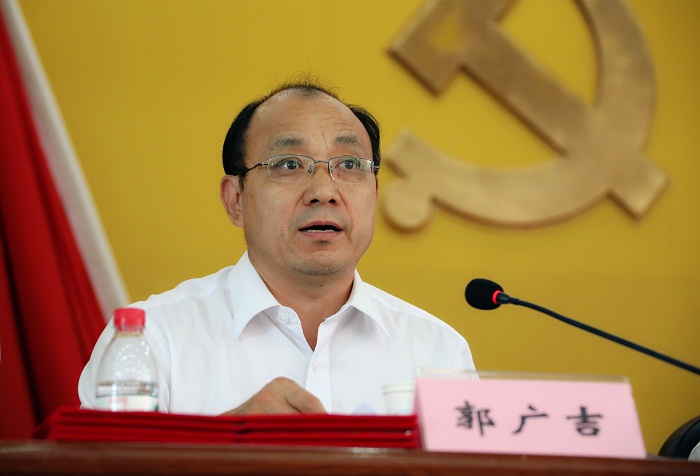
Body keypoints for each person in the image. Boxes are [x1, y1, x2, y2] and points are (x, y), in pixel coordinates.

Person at [78, 78, 476, 415]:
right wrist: (227, 443)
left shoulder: (437, 352)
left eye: (350, 165)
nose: (324, 191)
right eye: (288, 165)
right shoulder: (152, 340)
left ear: (374, 192)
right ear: (235, 200)